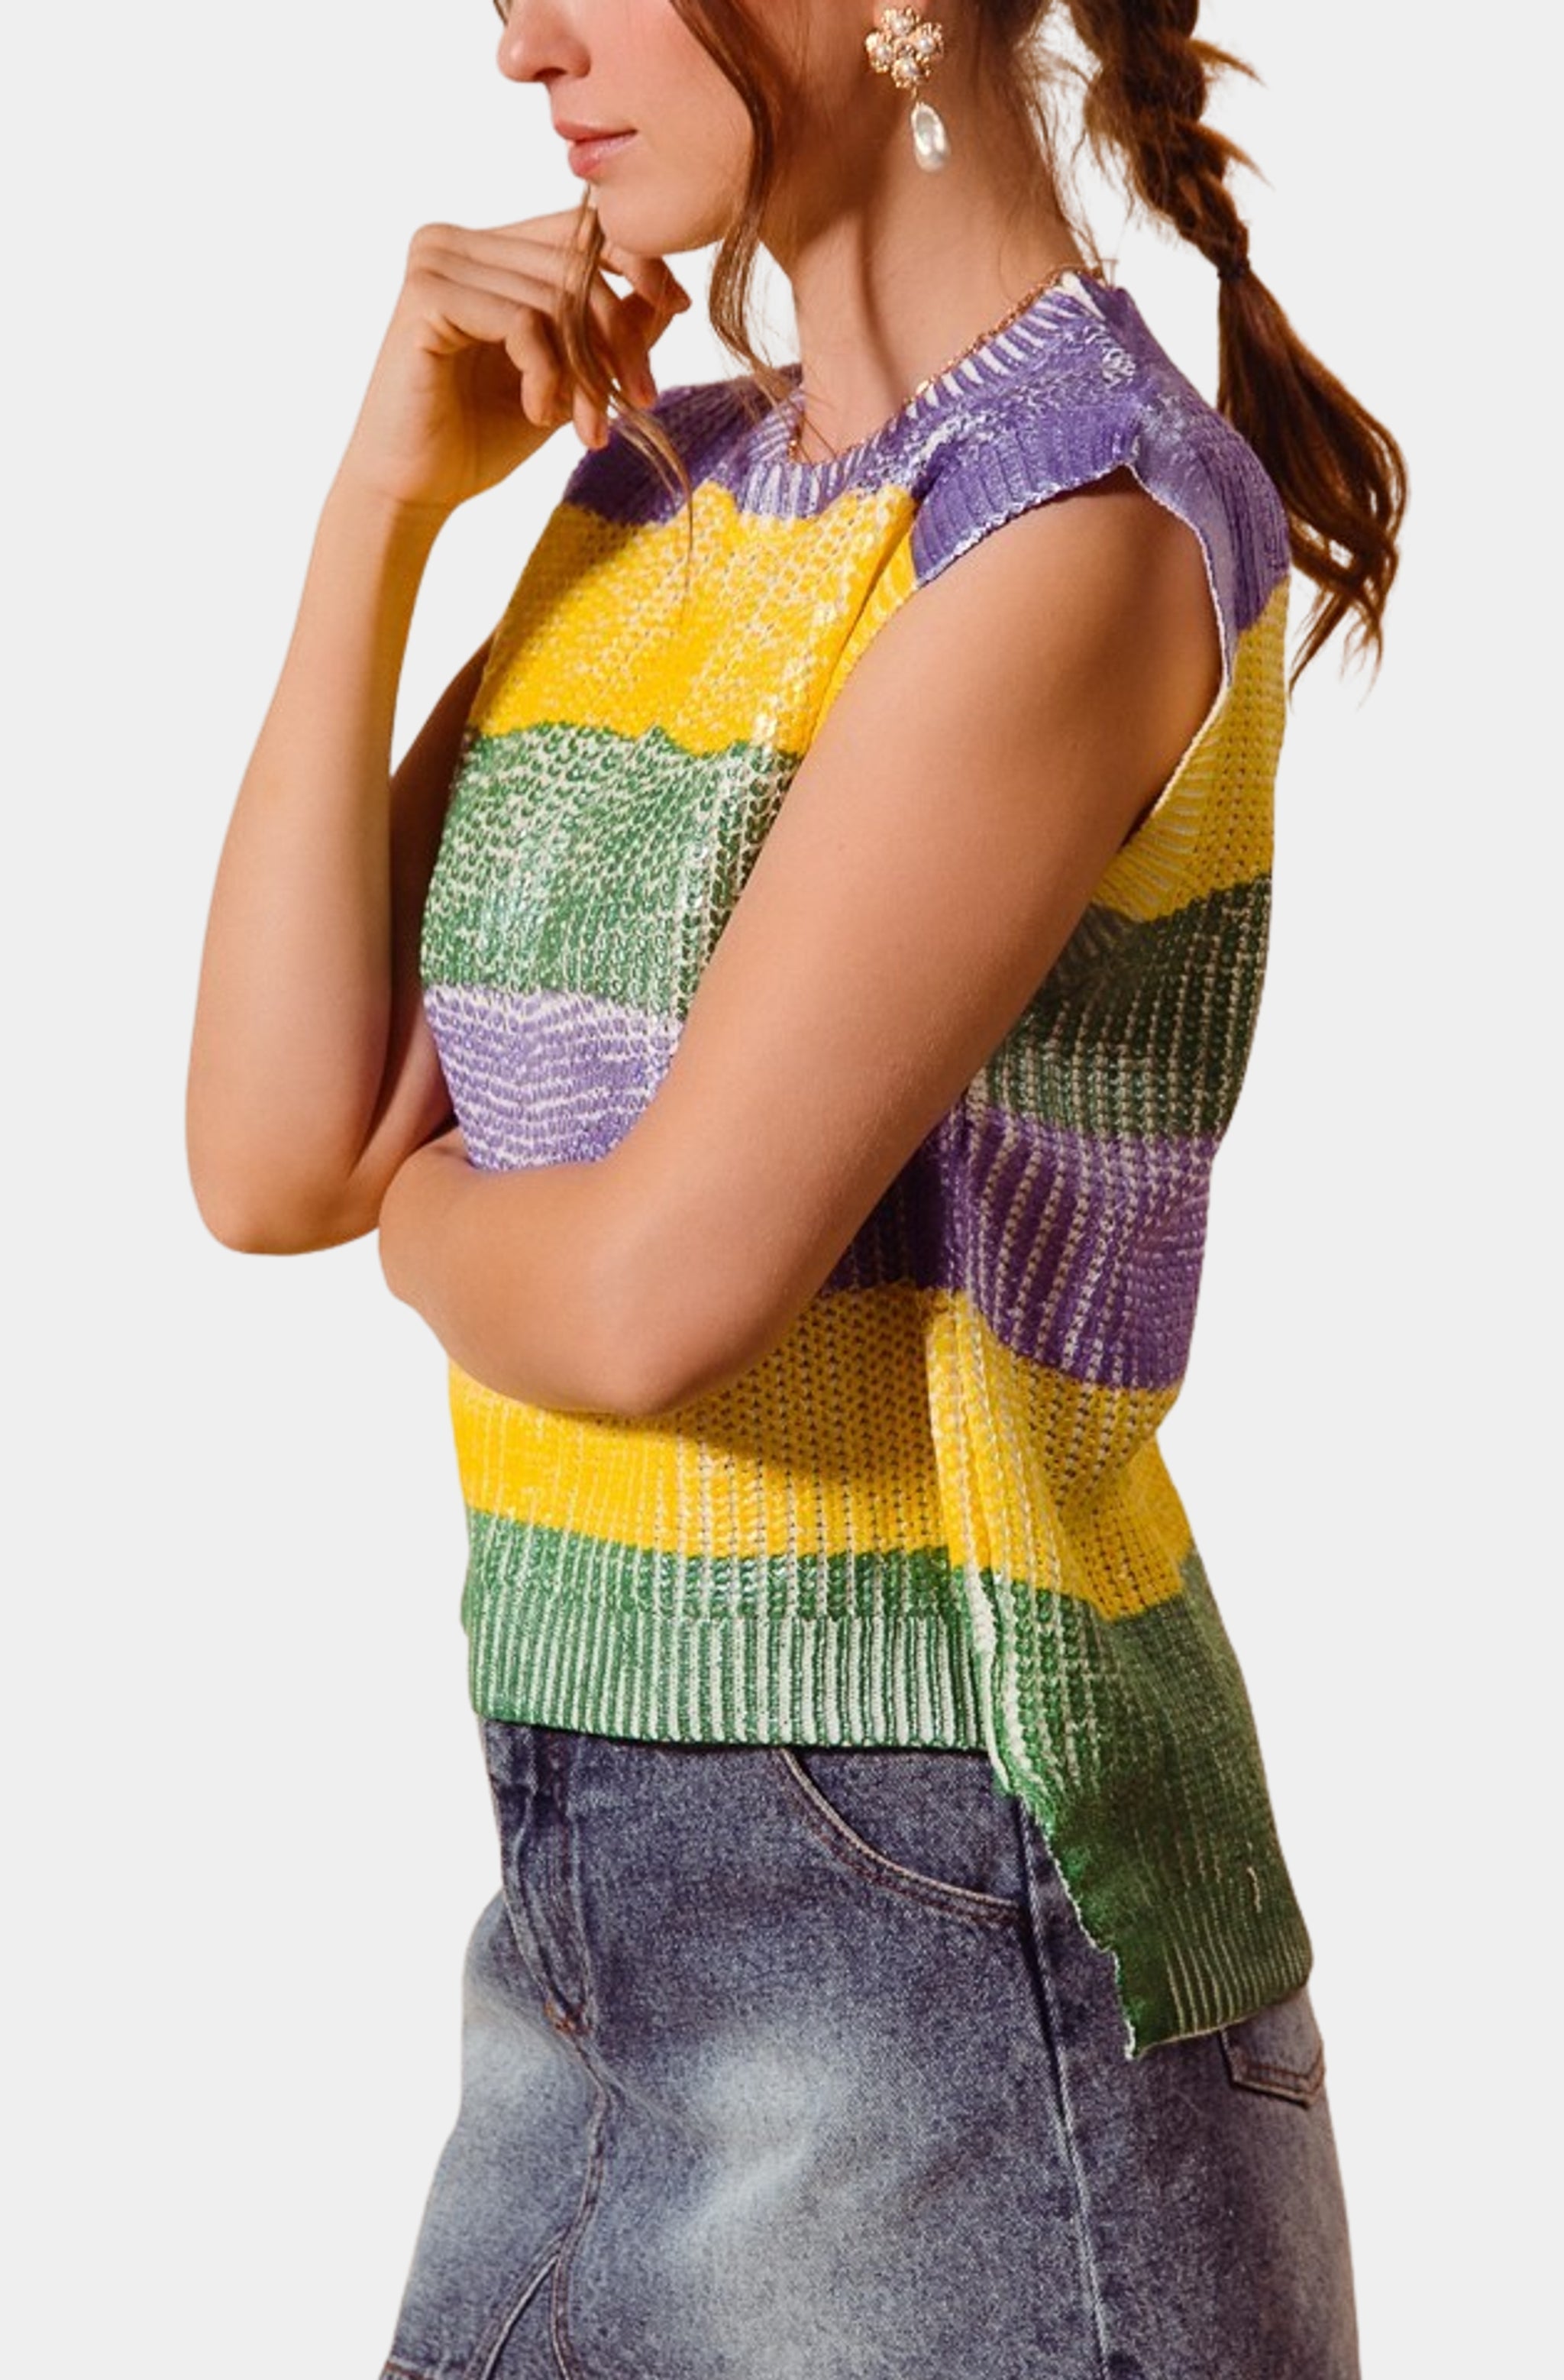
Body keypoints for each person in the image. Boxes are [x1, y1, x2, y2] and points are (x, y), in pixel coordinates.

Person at [186, 1, 1403, 2372]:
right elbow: (266, 1148)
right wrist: (380, 513)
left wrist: (425, 1214)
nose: (523, 38)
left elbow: (654, 1295)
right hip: (575, 1933)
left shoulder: (1070, 525)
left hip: (956, 1967)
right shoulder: (678, 484)